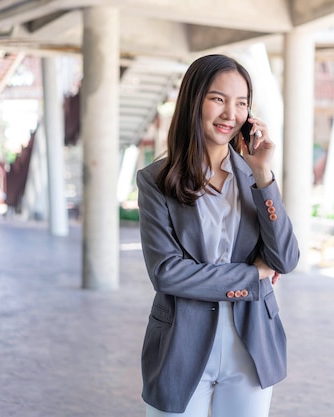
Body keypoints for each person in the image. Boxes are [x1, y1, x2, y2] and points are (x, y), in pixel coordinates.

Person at [136, 54, 300, 417]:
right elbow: (166, 273)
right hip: (181, 344)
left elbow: (285, 259)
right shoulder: (156, 180)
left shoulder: (255, 177)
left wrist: (263, 175)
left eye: (241, 103)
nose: (231, 114)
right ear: (194, 101)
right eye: (218, 99)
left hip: (252, 344)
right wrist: (252, 274)